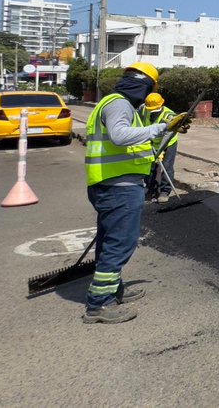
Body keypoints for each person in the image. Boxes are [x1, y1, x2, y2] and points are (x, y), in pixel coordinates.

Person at [82, 62, 190, 324]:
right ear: (146, 86)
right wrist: (161, 128)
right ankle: (99, 304)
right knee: (121, 242)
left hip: (114, 183)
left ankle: (112, 289)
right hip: (117, 186)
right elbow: (120, 136)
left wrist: (169, 130)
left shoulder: (126, 106)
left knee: (110, 240)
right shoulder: (119, 104)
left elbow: (137, 141)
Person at [140, 92, 180, 204]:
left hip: (168, 142)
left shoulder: (169, 116)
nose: (152, 112)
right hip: (152, 142)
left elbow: (167, 135)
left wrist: (160, 152)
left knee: (167, 166)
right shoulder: (144, 110)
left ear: (161, 105)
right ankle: (150, 189)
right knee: (150, 166)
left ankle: (165, 191)